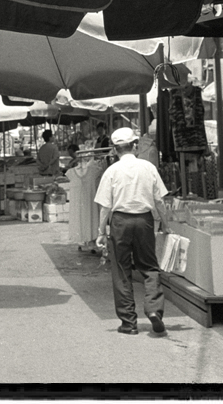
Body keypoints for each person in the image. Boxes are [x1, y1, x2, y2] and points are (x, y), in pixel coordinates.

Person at [94, 127, 170, 336]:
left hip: (120, 222)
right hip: (144, 220)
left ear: (114, 149)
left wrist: (101, 232)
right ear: (135, 146)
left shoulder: (111, 171)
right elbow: (159, 201)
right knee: (150, 267)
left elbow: (105, 207)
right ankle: (154, 309)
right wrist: (166, 224)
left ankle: (128, 323)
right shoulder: (148, 167)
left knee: (121, 271)